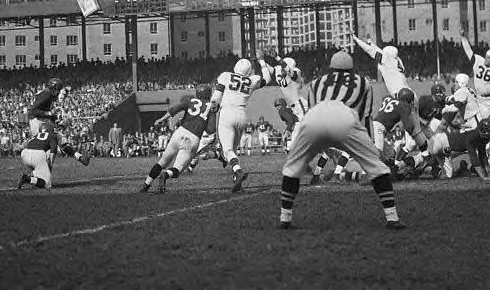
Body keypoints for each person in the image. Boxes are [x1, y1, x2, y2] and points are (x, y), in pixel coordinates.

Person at [279, 51, 405, 230]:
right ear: (352, 68)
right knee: (378, 168)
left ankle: (285, 217)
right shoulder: (363, 83)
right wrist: (370, 147)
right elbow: (365, 117)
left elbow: (314, 110)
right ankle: (392, 217)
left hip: (315, 117)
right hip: (345, 117)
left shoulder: (316, 83)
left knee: (292, 168)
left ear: (331, 67)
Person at [352, 35, 428, 151]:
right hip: (410, 95)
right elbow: (376, 51)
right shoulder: (397, 61)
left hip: (403, 98)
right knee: (416, 132)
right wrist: (371, 42)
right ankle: (426, 155)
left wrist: (357, 40)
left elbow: (370, 51)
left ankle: (405, 160)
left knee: (411, 138)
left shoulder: (388, 60)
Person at [211, 52, 272, 192]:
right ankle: (237, 182)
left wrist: (214, 103)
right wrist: (262, 61)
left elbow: (218, 93)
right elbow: (267, 79)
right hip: (242, 115)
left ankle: (238, 172)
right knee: (233, 152)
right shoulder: (252, 80)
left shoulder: (226, 76)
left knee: (227, 150)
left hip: (227, 113)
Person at [139, 85, 216, 193]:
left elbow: (174, 109)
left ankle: (146, 186)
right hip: (192, 138)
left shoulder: (190, 100)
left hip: (179, 133)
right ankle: (165, 175)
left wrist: (162, 119)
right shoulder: (211, 107)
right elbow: (210, 130)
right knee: (177, 169)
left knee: (162, 162)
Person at [29, 78, 89, 166]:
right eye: (58, 89)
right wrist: (49, 113)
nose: (58, 92)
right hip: (37, 121)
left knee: (60, 139)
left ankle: (80, 157)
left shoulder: (49, 94)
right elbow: (33, 111)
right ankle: (36, 174)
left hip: (42, 120)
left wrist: (55, 120)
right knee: (49, 144)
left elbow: (46, 113)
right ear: (54, 88)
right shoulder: (47, 93)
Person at [17, 125, 59, 189]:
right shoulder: (52, 136)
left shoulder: (37, 135)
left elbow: (24, 145)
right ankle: (27, 179)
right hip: (37, 154)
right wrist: (50, 164)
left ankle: (34, 176)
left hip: (25, 154)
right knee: (47, 184)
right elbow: (53, 150)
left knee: (37, 170)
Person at [460, 29, 490, 118]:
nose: (487, 59)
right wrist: (463, 37)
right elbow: (468, 51)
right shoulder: (478, 60)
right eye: (487, 57)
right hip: (477, 98)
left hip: (488, 100)